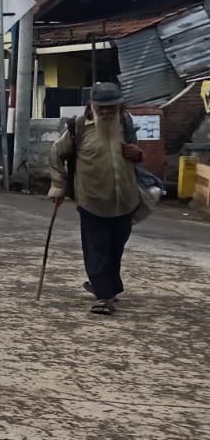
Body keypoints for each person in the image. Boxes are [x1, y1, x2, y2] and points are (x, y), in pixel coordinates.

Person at [48, 82, 150, 316]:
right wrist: (58, 187)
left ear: (120, 106)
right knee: (97, 248)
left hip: (124, 200)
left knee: (115, 248)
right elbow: (56, 153)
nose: (105, 112)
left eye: (111, 107)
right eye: (100, 107)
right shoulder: (78, 127)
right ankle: (104, 297)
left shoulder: (126, 124)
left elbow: (135, 157)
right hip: (91, 200)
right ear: (92, 106)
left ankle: (108, 286)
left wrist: (138, 154)